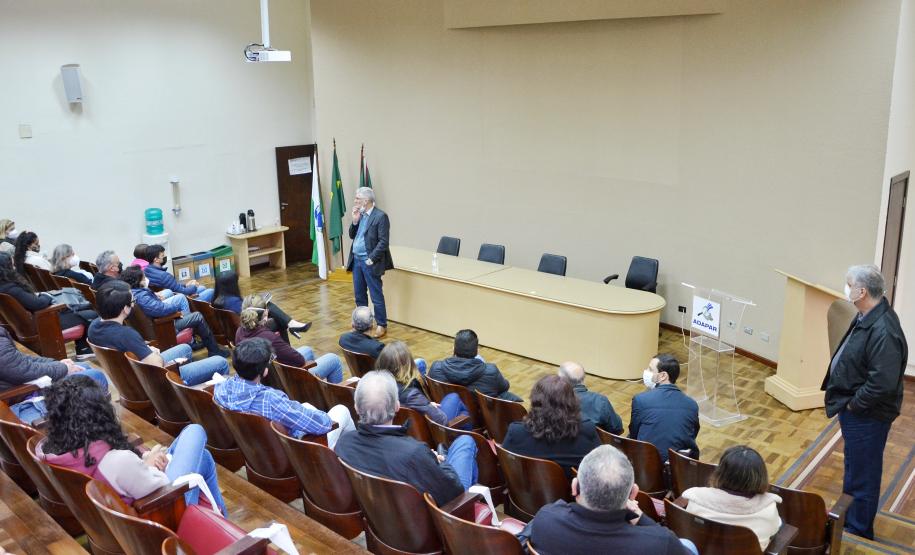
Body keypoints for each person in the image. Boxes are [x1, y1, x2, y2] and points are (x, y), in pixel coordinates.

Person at [40, 374, 227, 515]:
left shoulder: (52, 450)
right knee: (195, 431)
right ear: (99, 413)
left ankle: (220, 519)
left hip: (123, 515)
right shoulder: (117, 461)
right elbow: (161, 484)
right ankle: (221, 526)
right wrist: (150, 464)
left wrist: (145, 461)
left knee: (204, 458)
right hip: (165, 510)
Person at [821, 264, 908, 539]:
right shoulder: (868, 313)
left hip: (867, 415)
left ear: (861, 291)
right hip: (859, 411)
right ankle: (850, 519)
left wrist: (853, 405)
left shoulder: (884, 329)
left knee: (863, 475)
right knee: (855, 467)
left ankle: (858, 531)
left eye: (849, 284)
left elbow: (881, 384)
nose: (845, 288)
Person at [518, 445, 697, 555]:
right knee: (688, 545)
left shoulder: (546, 519)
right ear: (633, 493)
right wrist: (640, 517)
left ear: (574, 487)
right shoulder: (660, 543)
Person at [335, 370, 479, 505]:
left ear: (356, 407)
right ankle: (473, 515)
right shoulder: (414, 452)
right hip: (432, 522)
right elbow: (454, 492)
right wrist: (438, 462)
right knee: (466, 442)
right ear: (397, 406)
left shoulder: (343, 444)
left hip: (383, 517)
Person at [213, 338, 354, 446]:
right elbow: (322, 425)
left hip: (260, 447)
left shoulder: (221, 389)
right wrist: (325, 417)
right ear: (264, 370)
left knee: (306, 406)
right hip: (295, 449)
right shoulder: (270, 399)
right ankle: (349, 455)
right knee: (342, 410)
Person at [88, 281, 229, 386]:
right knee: (221, 362)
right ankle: (180, 388)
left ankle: (184, 388)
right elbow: (157, 365)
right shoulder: (126, 335)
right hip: (149, 381)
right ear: (125, 309)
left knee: (185, 348)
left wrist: (146, 350)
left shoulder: (93, 326)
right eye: (132, 301)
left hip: (129, 376)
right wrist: (153, 353)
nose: (133, 304)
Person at [0, 326, 108, 424]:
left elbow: (21, 359)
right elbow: (22, 370)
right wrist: (64, 368)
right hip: (16, 398)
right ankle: (97, 427)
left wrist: (58, 364)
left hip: (18, 387)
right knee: (95, 376)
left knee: (83, 366)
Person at [682, 445, 782, 550]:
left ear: (720, 472)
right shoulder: (769, 509)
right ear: (761, 476)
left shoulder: (696, 499)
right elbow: (775, 527)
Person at [501, 375, 600, 477]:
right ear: (572, 401)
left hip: (527, 491)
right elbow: (599, 469)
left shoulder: (516, 432)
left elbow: (506, 468)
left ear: (535, 401)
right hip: (572, 492)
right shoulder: (588, 430)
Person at [120, 266, 229, 359]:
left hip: (157, 324)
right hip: (163, 327)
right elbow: (160, 309)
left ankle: (197, 342)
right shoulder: (142, 296)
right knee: (197, 316)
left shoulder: (133, 292)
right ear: (138, 281)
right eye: (144, 278)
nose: (146, 279)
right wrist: (174, 307)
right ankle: (213, 350)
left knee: (187, 309)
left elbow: (155, 307)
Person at [0, 253, 96, 356]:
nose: (15, 267)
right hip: (43, 324)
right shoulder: (11, 289)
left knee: (77, 309)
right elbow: (38, 304)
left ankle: (83, 349)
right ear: (7, 267)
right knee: (91, 314)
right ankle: (84, 349)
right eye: (12, 265)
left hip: (25, 326)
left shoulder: (4, 287)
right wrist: (47, 296)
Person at [236, 294, 342, 383]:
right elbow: (300, 361)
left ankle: (314, 389)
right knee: (334, 359)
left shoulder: (239, 331)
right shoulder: (270, 338)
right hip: (284, 381)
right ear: (265, 313)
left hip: (268, 374)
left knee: (307, 350)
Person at [376, 341, 469, 427]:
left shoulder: (376, 386)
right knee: (455, 399)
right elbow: (442, 420)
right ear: (407, 365)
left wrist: (426, 405)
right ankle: (469, 438)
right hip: (428, 431)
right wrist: (426, 405)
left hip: (404, 425)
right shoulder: (412, 395)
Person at [629, 354, 699, 462]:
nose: (646, 372)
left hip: (647, 466)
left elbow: (634, 434)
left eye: (650, 369)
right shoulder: (692, 405)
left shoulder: (640, 400)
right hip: (679, 468)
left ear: (663, 376)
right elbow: (692, 434)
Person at [346, 187, 393, 339]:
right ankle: (362, 323)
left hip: (370, 262)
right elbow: (352, 235)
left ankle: (381, 324)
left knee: (376, 294)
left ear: (366, 201)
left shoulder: (380, 216)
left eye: (357, 199)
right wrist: (354, 221)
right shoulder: (360, 215)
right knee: (359, 295)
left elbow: (383, 242)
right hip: (357, 261)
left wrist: (371, 258)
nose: (355, 201)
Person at [212, 270, 310, 341]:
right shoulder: (234, 302)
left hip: (236, 332)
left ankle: (291, 324)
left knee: (267, 306)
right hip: (248, 331)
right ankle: (290, 328)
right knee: (276, 318)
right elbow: (249, 316)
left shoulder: (216, 299)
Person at [428, 329, 522, 401]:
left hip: (445, 418)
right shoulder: (491, 371)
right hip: (480, 421)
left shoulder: (436, 368)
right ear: (476, 350)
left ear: (454, 349)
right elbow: (504, 387)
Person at [559, 361, 623, 434]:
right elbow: (617, 428)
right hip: (595, 444)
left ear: (561, 381)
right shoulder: (600, 401)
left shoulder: (551, 401)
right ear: (583, 377)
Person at [143, 244, 214, 302]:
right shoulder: (164, 276)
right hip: (180, 298)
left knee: (202, 287)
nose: (165, 257)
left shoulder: (146, 271)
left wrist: (186, 284)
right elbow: (183, 292)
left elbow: (173, 286)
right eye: (162, 256)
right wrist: (194, 285)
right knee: (210, 291)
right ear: (156, 260)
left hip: (169, 296)